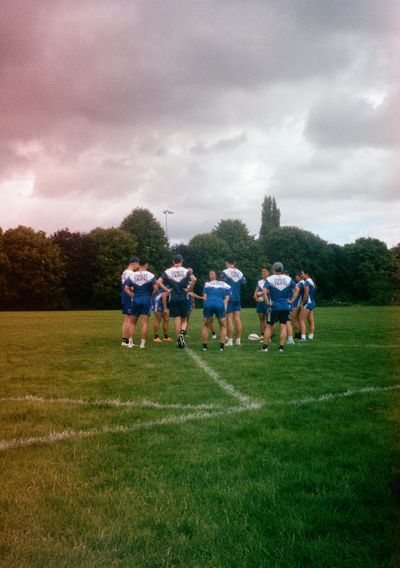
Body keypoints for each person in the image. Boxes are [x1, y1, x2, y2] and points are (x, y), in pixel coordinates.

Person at [157, 254, 196, 349]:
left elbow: (158, 282)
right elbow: (194, 279)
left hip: (173, 298)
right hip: (184, 298)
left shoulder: (168, 271)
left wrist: (166, 290)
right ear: (182, 261)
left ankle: (179, 338)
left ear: (173, 261)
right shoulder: (186, 271)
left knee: (177, 319)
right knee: (184, 319)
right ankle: (182, 334)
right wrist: (189, 289)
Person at [259, 261, 296, 353]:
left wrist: (267, 302)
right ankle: (281, 348)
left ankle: (265, 347)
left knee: (268, 326)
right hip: (285, 306)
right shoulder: (288, 279)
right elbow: (297, 289)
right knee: (283, 326)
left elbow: (264, 292)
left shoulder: (270, 279)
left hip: (274, 306)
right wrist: (291, 301)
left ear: (273, 269)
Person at [123, 258, 157, 349]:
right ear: (146, 265)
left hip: (136, 299)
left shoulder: (133, 275)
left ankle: (130, 343)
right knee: (144, 323)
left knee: (133, 322)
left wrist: (131, 295)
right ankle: (142, 344)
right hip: (146, 299)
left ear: (139, 265)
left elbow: (126, 288)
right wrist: (151, 296)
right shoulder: (150, 275)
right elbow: (156, 287)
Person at [200, 271, 232, 352]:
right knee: (223, 326)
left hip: (208, 303)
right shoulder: (227, 286)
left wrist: (205, 306)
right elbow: (226, 299)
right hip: (219, 304)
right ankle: (221, 347)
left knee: (206, 325)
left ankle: (205, 347)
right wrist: (224, 309)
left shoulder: (207, 284)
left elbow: (205, 297)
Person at [222, 259, 246, 346]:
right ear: (234, 263)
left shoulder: (225, 272)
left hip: (229, 298)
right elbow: (244, 282)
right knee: (237, 318)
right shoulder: (239, 272)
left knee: (229, 319)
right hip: (238, 297)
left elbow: (222, 284)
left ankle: (230, 341)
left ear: (227, 263)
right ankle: (238, 340)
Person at [121, 256, 139, 348]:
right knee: (129, 319)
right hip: (129, 298)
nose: (138, 267)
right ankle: (126, 341)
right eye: (138, 264)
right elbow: (130, 287)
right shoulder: (130, 273)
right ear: (135, 263)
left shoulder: (124, 272)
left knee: (126, 319)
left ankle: (125, 340)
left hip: (124, 298)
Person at [298, 269, 316, 340]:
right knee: (310, 320)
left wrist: (302, 303)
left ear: (307, 274)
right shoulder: (311, 281)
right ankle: (311, 336)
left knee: (301, 319)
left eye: (302, 273)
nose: (301, 275)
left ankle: (303, 337)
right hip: (312, 302)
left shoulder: (307, 282)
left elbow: (306, 294)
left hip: (308, 303)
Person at [253, 267, 270, 337]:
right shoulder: (259, 282)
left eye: (265, 271)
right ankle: (262, 334)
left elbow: (268, 291)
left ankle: (268, 335)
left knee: (268, 319)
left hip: (267, 302)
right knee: (261, 318)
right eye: (262, 271)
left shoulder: (270, 281)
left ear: (268, 273)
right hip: (260, 303)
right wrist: (256, 298)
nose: (263, 273)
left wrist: (259, 294)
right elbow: (255, 292)